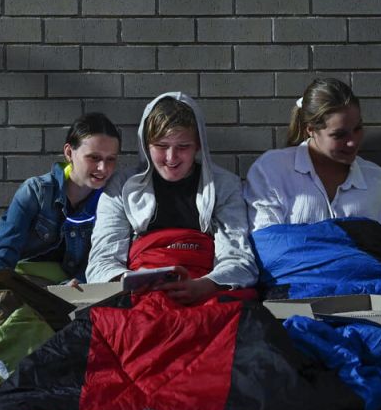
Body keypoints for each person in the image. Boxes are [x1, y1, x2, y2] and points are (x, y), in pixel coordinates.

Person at [85, 91, 258, 304]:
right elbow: (102, 260)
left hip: (204, 295)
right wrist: (134, 282)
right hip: (138, 298)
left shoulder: (223, 186)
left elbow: (238, 258)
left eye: (183, 147)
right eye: (161, 146)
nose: (171, 158)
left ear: (198, 145)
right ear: (146, 145)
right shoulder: (121, 187)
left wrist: (203, 286)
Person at [245, 76, 381, 231]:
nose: (353, 142)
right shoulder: (272, 171)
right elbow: (268, 243)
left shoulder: (380, 182)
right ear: (311, 130)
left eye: (357, 129)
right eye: (339, 135)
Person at [0, 113, 123, 281]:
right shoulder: (36, 192)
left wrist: (77, 285)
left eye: (111, 159)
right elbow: (3, 256)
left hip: (74, 292)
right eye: (94, 158)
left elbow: (103, 262)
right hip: (23, 283)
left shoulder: (112, 203)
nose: (103, 168)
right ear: (68, 152)